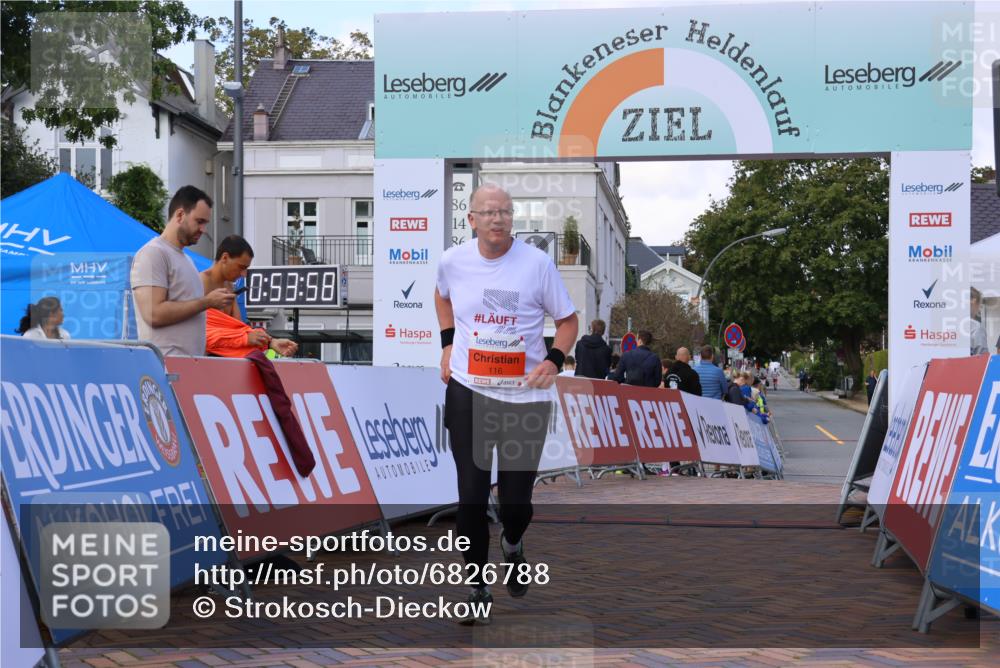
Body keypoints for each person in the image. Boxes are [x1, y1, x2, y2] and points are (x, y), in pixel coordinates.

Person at [435, 183, 578, 625]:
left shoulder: (536, 265)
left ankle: (513, 543)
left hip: (523, 399)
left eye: (505, 212)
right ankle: (476, 587)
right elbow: (441, 297)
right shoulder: (452, 261)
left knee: (517, 505)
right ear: (472, 220)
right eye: (489, 212)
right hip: (468, 392)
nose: (498, 219)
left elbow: (568, 321)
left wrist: (554, 360)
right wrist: (447, 345)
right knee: (471, 499)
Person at [131, 186, 233, 356]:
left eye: (205, 223)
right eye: (199, 221)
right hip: (164, 370)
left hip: (187, 370)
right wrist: (206, 302)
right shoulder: (152, 253)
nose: (203, 230)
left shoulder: (187, 260)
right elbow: (153, 314)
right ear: (180, 215)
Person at [201, 235, 298, 358]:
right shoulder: (199, 283)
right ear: (225, 258)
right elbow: (200, 335)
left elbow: (239, 329)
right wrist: (248, 338)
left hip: (224, 362)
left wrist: (271, 342)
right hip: (203, 363)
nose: (244, 274)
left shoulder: (230, 287)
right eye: (241, 267)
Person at [970, 287, 989, 356]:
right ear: (974, 302)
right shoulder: (976, 327)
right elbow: (983, 357)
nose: (979, 309)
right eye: (979, 305)